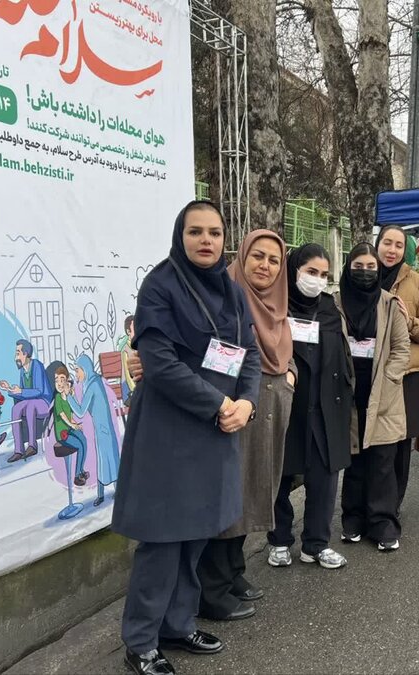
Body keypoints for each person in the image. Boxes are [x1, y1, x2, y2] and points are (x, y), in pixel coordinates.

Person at [111, 200, 261, 675]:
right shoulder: (160, 285)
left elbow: (250, 353)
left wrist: (247, 403)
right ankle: (141, 641)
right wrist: (221, 405)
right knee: (162, 540)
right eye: (195, 231)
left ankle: (177, 624)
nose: (206, 241)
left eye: (214, 232)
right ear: (181, 235)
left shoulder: (231, 291)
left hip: (217, 429)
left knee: (196, 534)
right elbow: (159, 364)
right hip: (169, 431)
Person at [196, 229, 294, 621]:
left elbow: (285, 348)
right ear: (242, 257)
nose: (265, 266)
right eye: (258, 256)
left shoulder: (277, 304)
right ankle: (212, 589)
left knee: (253, 491)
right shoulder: (223, 298)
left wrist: (290, 373)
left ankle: (233, 573)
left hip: (267, 408)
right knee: (229, 496)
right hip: (233, 409)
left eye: (274, 260)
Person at [267, 244, 354, 570]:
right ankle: (279, 540)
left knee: (325, 478)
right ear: (294, 270)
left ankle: (316, 544)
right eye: (311, 272)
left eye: (324, 274)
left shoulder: (330, 309)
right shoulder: (276, 307)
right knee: (280, 474)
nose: (317, 280)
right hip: (289, 403)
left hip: (326, 404)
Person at [336, 242, 410, 552]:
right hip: (347, 391)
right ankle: (352, 518)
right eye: (358, 266)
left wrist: (389, 378)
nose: (365, 272)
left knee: (382, 461)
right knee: (354, 459)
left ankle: (382, 522)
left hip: (383, 393)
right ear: (348, 267)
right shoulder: (335, 302)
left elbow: (402, 349)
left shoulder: (390, 304)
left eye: (371, 267)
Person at [375, 226, 419, 513]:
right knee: (370, 441)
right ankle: (369, 503)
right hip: (371, 371)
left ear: (405, 250)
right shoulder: (364, 274)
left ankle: (392, 506)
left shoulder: (416, 282)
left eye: (398, 245)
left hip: (407, 373)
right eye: (387, 243)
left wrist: (409, 321)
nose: (392, 250)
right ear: (377, 244)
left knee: (400, 445)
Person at [64, 354, 119, 506]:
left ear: (85, 369)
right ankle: (102, 495)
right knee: (104, 461)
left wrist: (69, 397)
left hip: (104, 429)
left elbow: (81, 411)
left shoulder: (93, 384)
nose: (76, 374)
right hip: (101, 428)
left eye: (77, 370)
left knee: (109, 460)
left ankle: (111, 493)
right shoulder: (91, 382)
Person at [0, 339, 52, 463]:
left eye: (18, 353)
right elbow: (23, 395)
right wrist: (9, 389)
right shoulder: (22, 370)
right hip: (31, 403)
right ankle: (18, 450)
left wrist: (21, 391)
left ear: (25, 353)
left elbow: (39, 391)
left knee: (30, 406)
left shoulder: (37, 365)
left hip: (44, 403)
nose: (15, 357)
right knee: (16, 408)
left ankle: (32, 445)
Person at [52, 366, 88, 485]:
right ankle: (77, 476)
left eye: (62, 380)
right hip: (62, 434)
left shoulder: (68, 398)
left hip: (70, 429)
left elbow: (70, 416)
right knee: (79, 445)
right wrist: (72, 426)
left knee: (84, 440)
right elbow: (63, 416)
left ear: (67, 382)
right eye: (56, 380)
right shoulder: (58, 398)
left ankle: (81, 470)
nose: (59, 383)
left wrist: (76, 424)